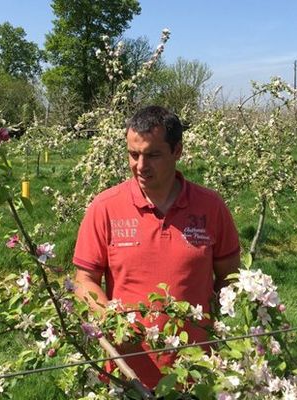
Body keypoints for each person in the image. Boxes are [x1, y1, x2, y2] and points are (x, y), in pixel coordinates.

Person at [73, 105, 240, 389]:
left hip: (196, 373)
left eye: (152, 155)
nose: (140, 166)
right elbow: (84, 280)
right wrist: (112, 322)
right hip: (128, 375)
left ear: (178, 152)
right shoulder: (105, 208)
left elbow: (230, 278)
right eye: (133, 154)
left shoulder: (211, 208)